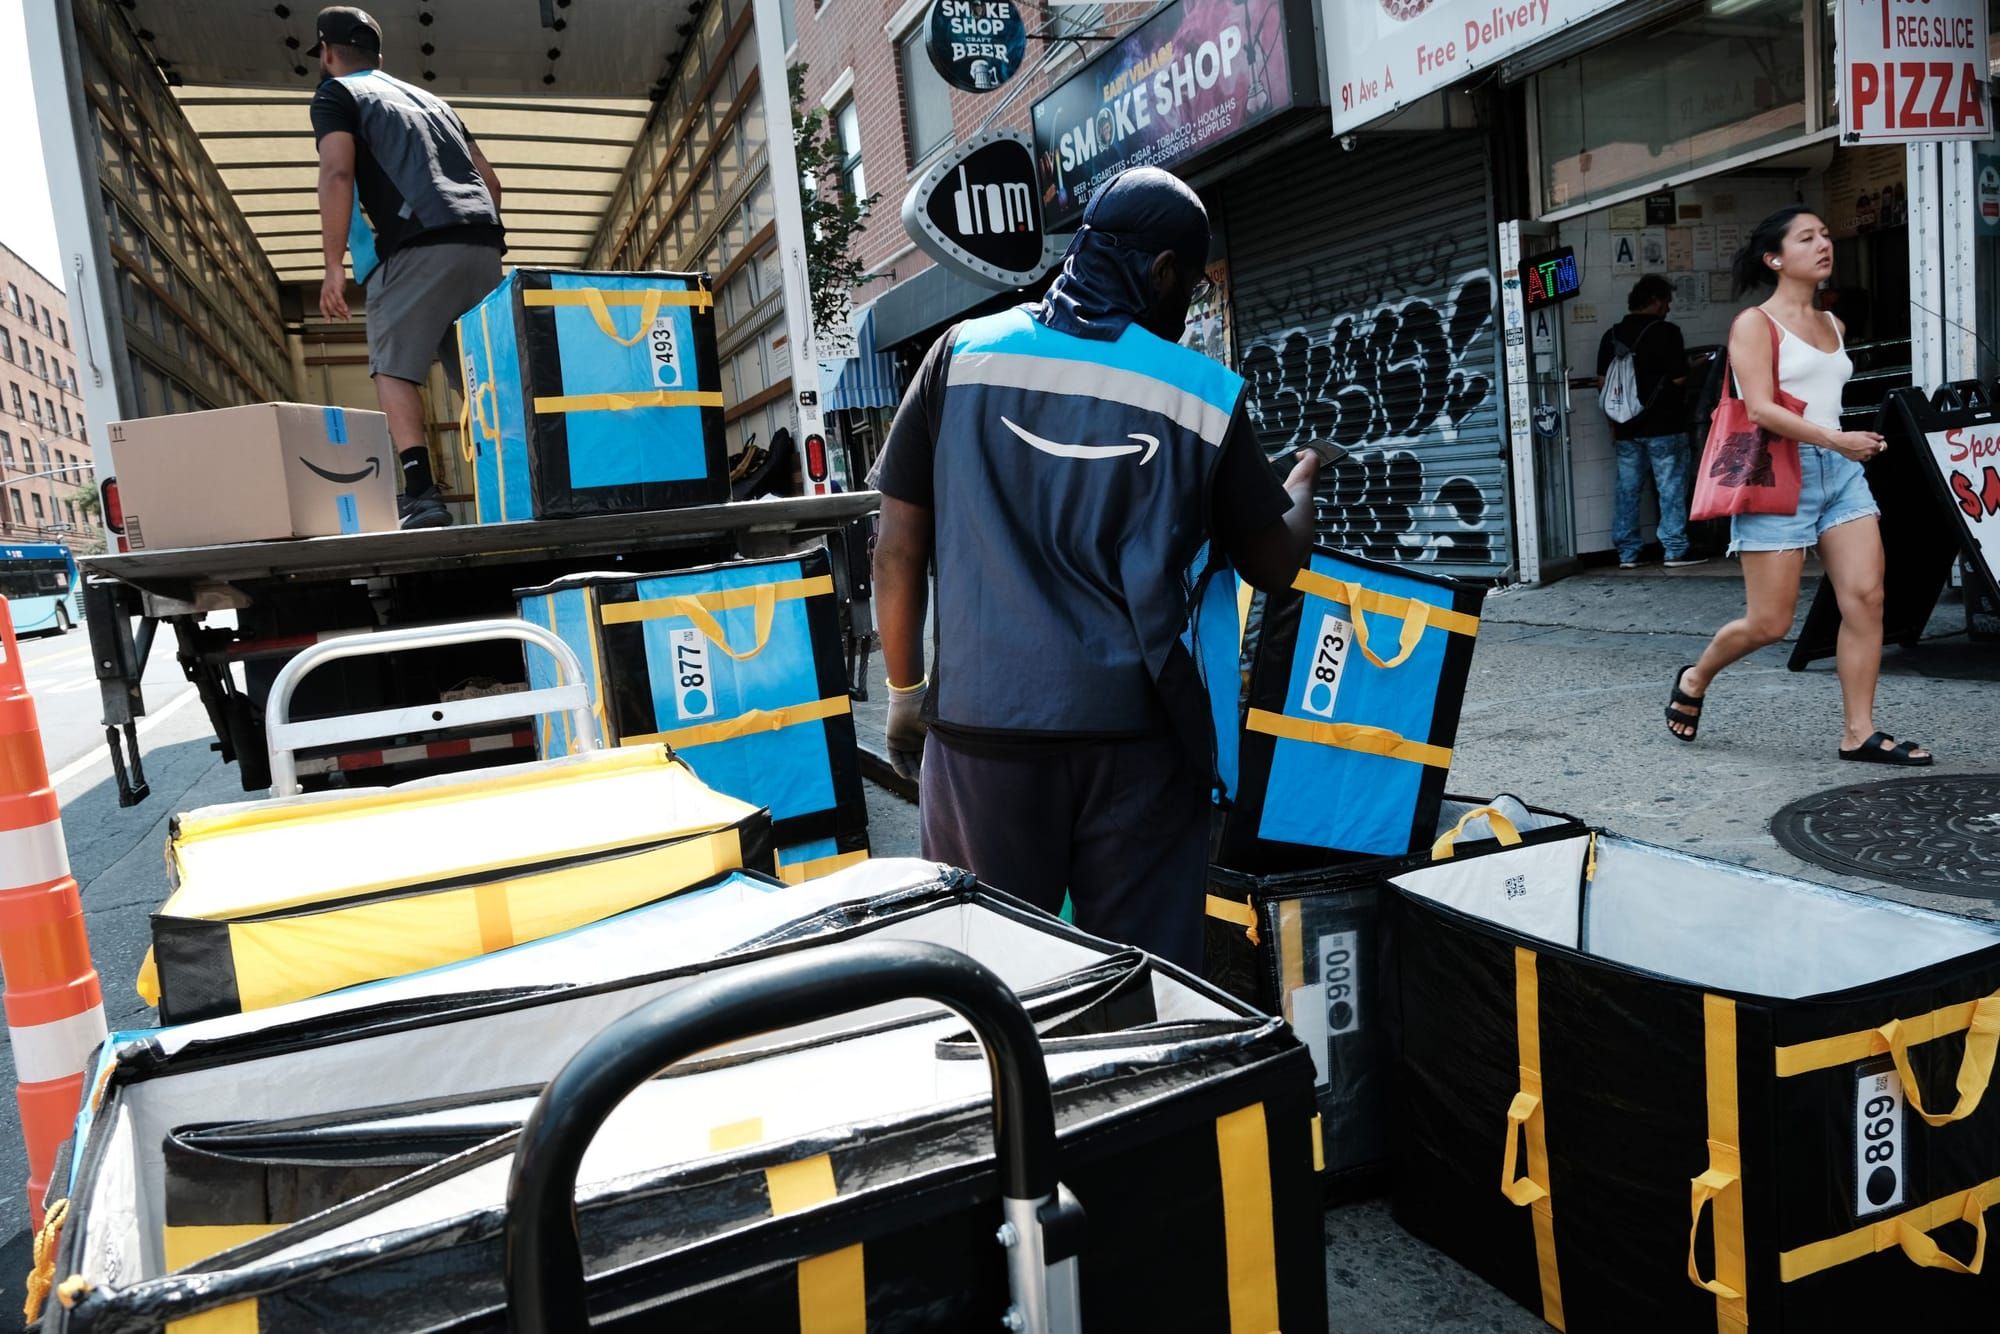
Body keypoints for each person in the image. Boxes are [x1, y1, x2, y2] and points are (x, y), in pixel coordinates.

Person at [869, 167, 1319, 970]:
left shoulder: (962, 355)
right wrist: (1304, 481)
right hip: (1137, 742)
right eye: (1191, 282)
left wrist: (905, 694)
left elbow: (897, 547)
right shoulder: (1200, 395)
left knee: (987, 977)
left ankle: (1009, 1096)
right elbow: (1276, 562)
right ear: (1162, 275)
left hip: (980, 735)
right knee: (1138, 981)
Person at [1666, 206, 1933, 765]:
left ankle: (1858, 732)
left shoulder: (1834, 324)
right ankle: (1695, 677)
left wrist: (1842, 447)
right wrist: (1837, 441)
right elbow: (1760, 409)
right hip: (1777, 475)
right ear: (1775, 258)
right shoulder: (1754, 324)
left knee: (1866, 599)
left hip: (1840, 475)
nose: (1824, 245)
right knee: (1770, 622)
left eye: (1826, 235)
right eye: (1807, 238)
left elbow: (1823, 400)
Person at [310, 6, 505, 529]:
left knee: (392, 365)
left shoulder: (338, 94)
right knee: (481, 375)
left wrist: (333, 266)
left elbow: (336, 171)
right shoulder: (433, 101)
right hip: (482, 240)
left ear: (327, 54)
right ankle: (524, 473)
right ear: (379, 53)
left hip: (415, 244)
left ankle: (421, 494)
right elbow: (491, 181)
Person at [1598, 274, 1703, 569]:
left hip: (1626, 427)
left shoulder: (1612, 335)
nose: (1668, 307)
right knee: (1670, 485)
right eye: (1666, 301)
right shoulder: (1667, 332)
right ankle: (1674, 550)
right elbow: (1679, 378)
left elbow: (1603, 385)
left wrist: (1613, 426)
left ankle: (1628, 553)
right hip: (1665, 424)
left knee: (1627, 488)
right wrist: (1692, 367)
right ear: (1655, 300)